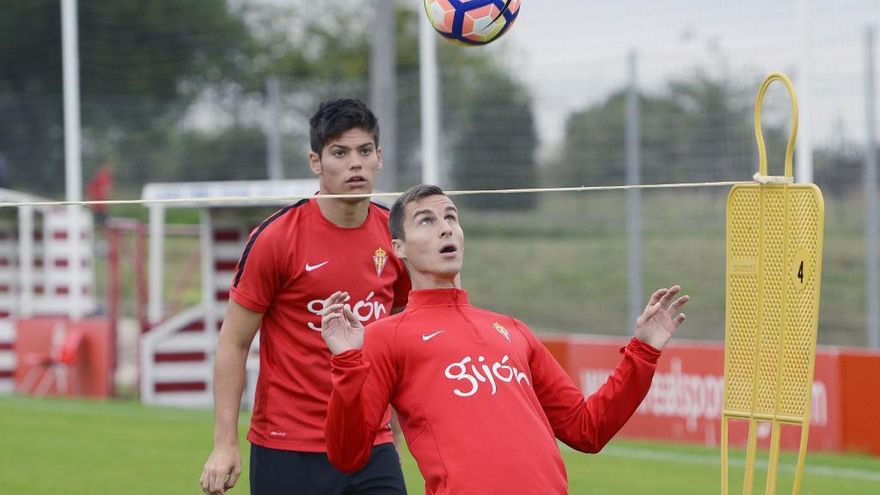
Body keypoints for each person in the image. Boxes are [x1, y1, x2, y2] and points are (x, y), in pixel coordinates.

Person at [319, 184, 689, 495]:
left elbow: (587, 429)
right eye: (427, 221)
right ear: (399, 248)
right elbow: (347, 454)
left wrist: (644, 350)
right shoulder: (386, 335)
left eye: (451, 217)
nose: (445, 228)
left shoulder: (512, 329)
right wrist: (347, 362)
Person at [199, 98, 411, 495]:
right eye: (340, 152)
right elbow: (233, 342)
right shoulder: (276, 238)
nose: (355, 163)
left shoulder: (396, 237)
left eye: (365, 151)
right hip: (287, 444)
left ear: (379, 157)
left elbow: (397, 347)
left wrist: (395, 437)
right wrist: (224, 444)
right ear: (316, 162)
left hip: (370, 444)